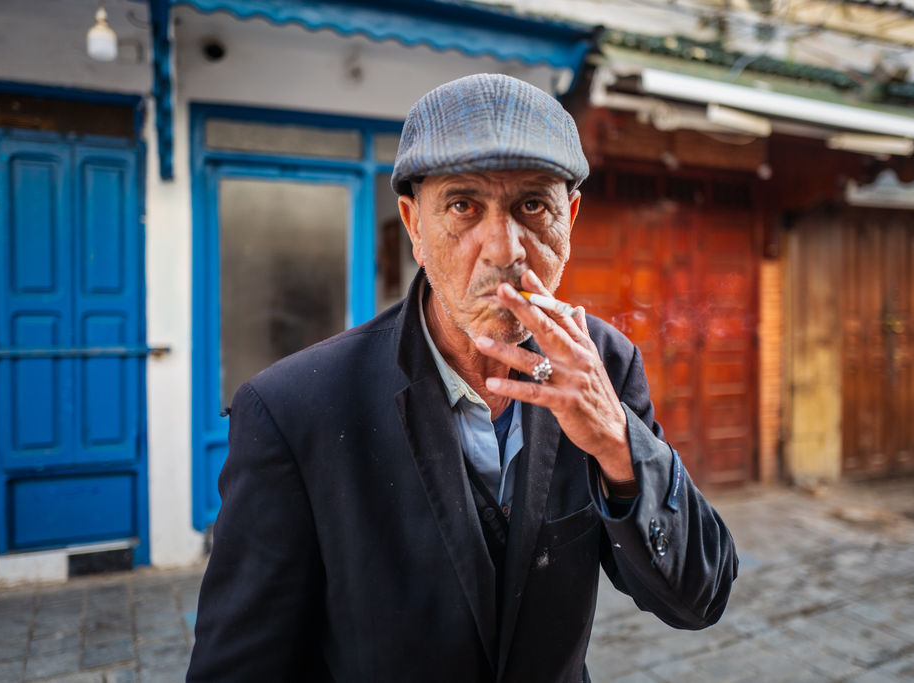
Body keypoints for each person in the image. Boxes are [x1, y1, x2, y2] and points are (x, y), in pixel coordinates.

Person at [187, 73, 737, 683]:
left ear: (571, 217)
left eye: (533, 206)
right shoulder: (295, 410)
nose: (504, 250)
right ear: (413, 226)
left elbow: (698, 598)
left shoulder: (603, 364)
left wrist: (617, 444)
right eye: (462, 206)